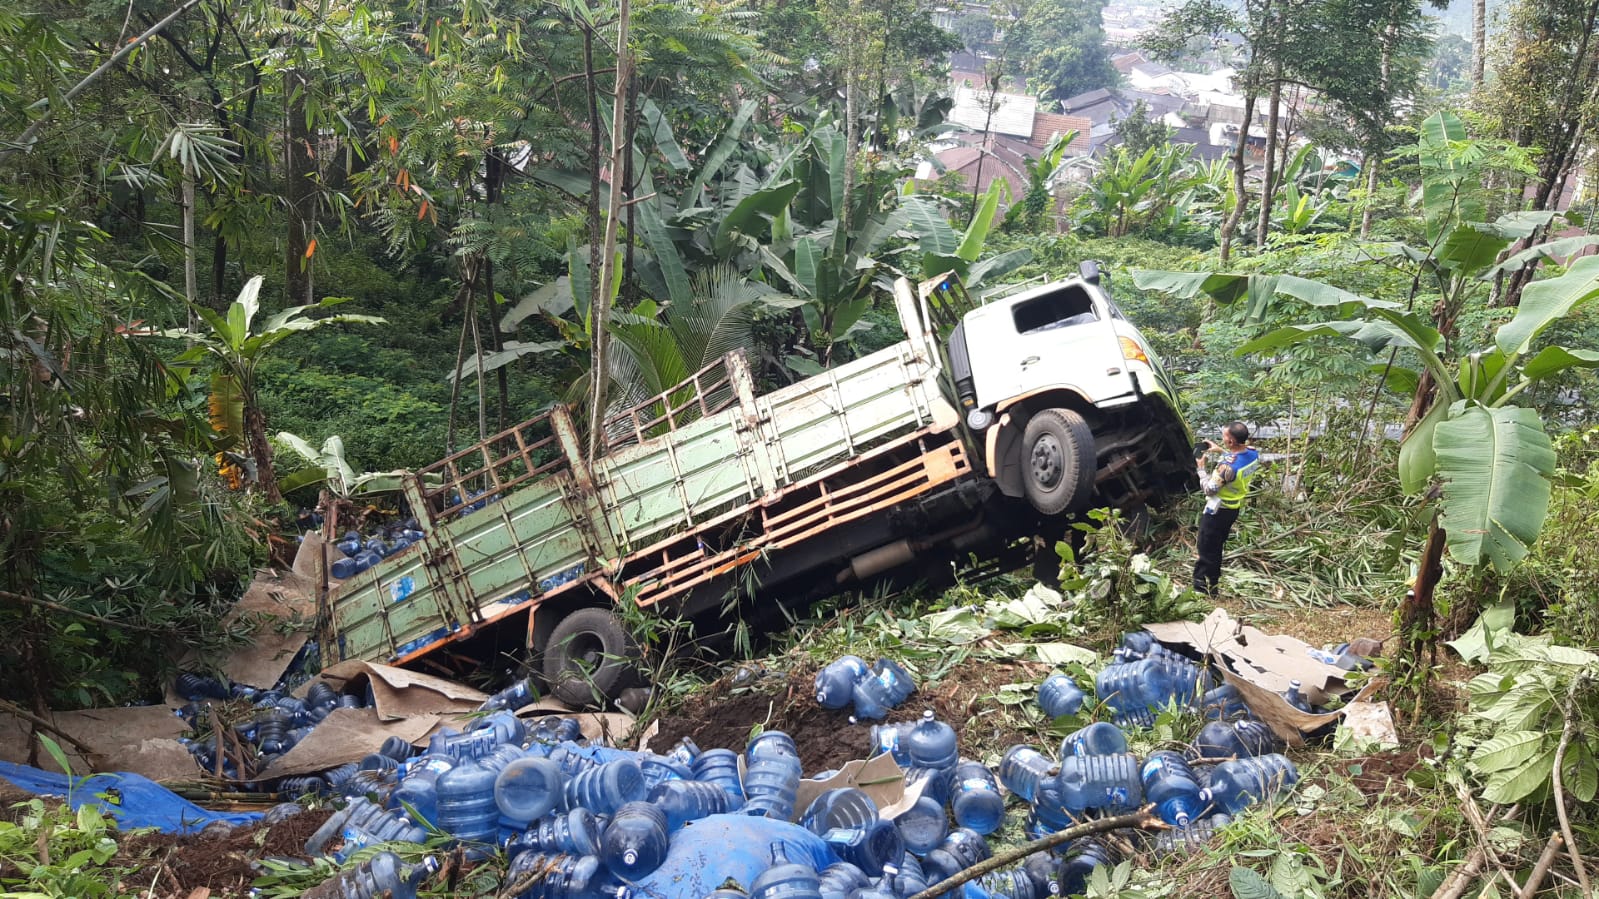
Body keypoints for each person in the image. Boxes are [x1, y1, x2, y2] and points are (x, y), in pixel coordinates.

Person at [1192, 421, 1260, 597]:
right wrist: (1220, 451)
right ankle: (1214, 585)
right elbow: (1236, 460)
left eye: (1224, 437)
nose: (1222, 438)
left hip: (1217, 511)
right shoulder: (1253, 454)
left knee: (1206, 548)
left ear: (1231, 441)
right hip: (1233, 508)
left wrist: (1201, 470)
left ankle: (1200, 587)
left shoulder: (1226, 468)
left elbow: (1209, 488)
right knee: (1217, 547)